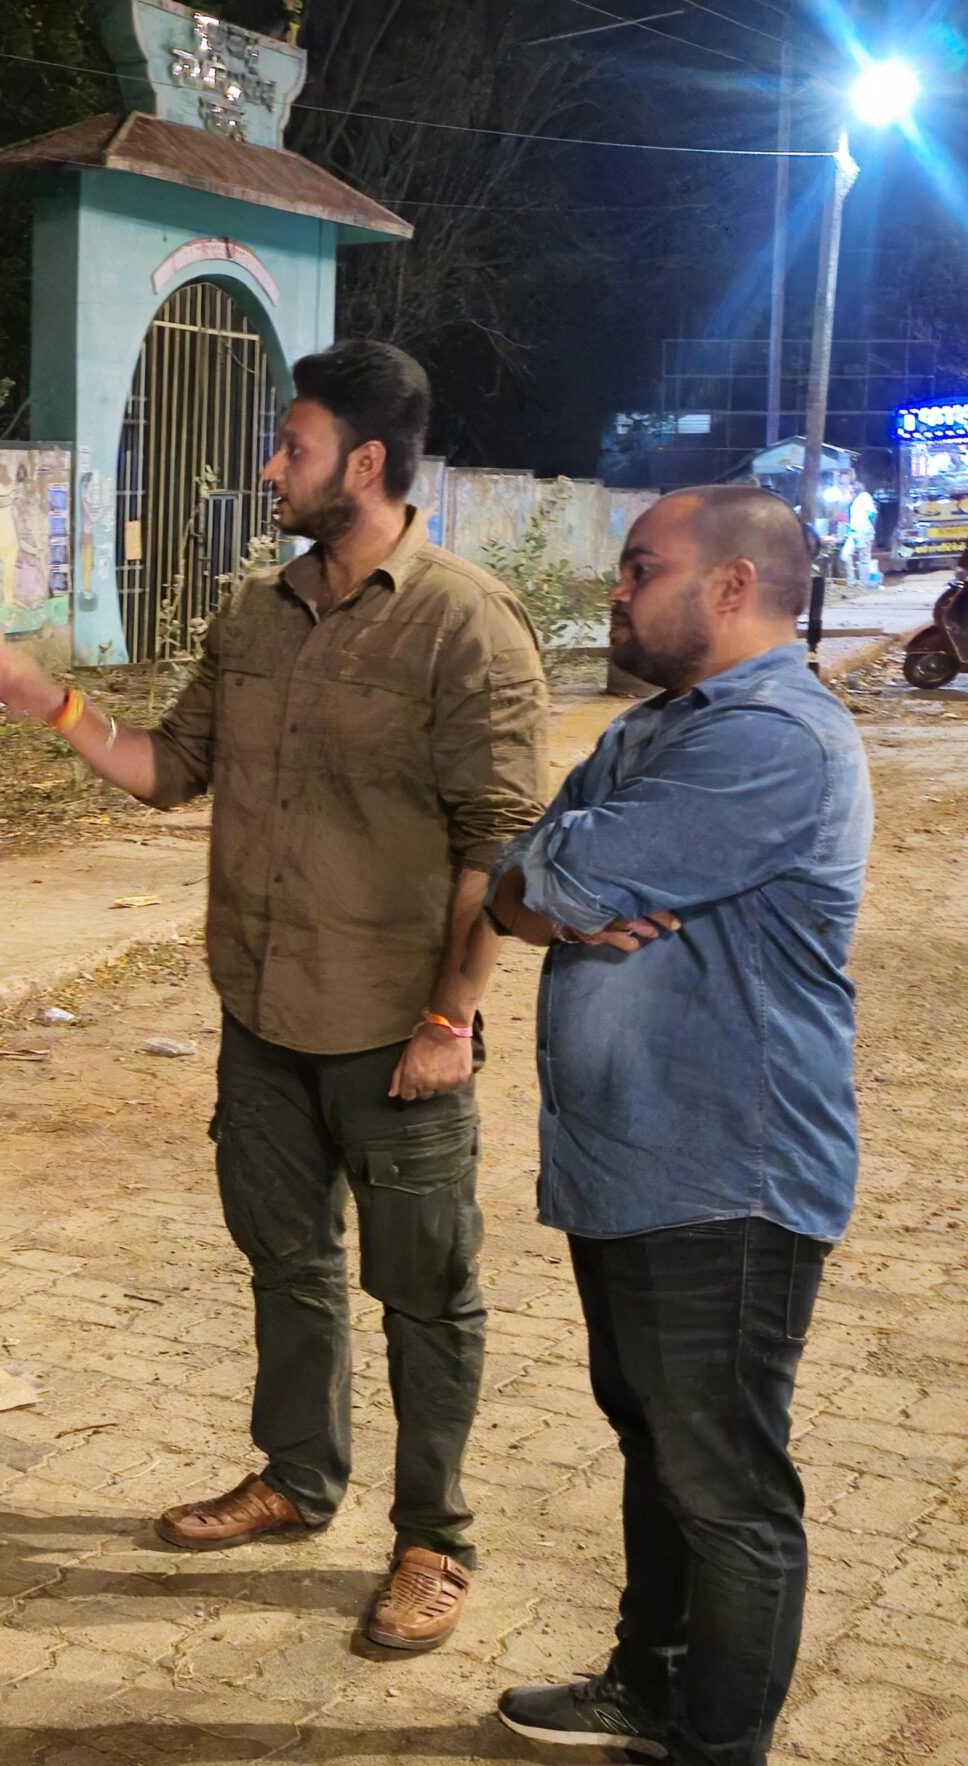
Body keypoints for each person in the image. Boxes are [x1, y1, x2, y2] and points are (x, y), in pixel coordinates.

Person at [0, 340, 548, 1652]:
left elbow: (498, 845)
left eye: (293, 446)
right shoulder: (255, 614)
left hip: (396, 1031)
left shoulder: (465, 622)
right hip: (264, 1014)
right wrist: (46, 701)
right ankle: (297, 1474)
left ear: (367, 462)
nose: (270, 468)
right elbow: (167, 768)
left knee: (426, 1292)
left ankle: (434, 1536)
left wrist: (451, 1020)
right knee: (287, 1262)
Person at [487, 487, 870, 1766]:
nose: (615, 590)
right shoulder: (657, 728)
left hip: (726, 1173)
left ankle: (717, 1743)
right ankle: (648, 1687)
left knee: (725, 1486)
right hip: (633, 1161)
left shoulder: (774, 739)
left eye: (640, 566)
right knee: (657, 1447)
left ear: (728, 585)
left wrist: (562, 876)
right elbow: (513, 880)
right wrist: (551, 881)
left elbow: (560, 870)